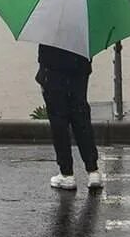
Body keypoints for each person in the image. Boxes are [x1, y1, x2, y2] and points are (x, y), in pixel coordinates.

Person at [37, 42, 101, 191]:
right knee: (81, 118)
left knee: (58, 121)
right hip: (79, 66)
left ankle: (67, 173)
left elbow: (44, 54)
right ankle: (93, 171)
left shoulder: (49, 24)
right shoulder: (83, 22)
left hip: (53, 70)